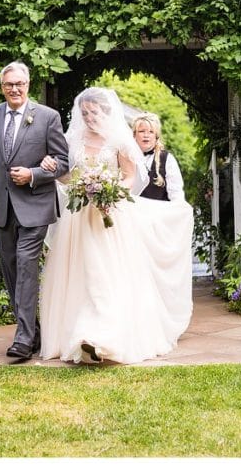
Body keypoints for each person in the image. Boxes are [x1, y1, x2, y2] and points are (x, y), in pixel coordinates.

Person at [38, 87, 194, 365]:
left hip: (110, 217)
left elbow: (129, 177)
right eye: (84, 113)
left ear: (105, 111)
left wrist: (109, 193)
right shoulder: (73, 140)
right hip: (79, 220)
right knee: (80, 275)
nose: (88, 117)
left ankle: (102, 338)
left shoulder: (119, 140)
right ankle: (77, 336)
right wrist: (53, 169)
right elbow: (68, 177)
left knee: (106, 275)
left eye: (93, 112)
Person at [0, 61, 69, 361]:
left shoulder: (47, 117)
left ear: (28, 85)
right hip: (1, 208)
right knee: (11, 270)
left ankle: (23, 339)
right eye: (9, 84)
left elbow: (63, 163)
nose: (14, 89)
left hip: (36, 206)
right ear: (2, 87)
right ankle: (32, 330)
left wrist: (34, 174)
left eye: (19, 84)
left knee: (25, 265)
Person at [132, 112, 185, 202]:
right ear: (134, 135)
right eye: (141, 131)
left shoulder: (167, 159)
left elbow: (176, 195)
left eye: (151, 132)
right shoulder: (126, 157)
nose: (146, 135)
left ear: (156, 137)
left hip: (159, 214)